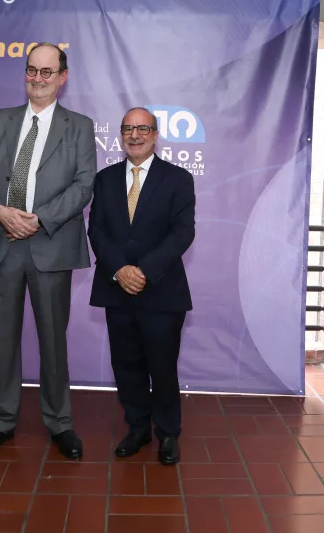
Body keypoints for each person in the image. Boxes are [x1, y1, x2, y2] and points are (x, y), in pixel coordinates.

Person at [0, 42, 96, 460]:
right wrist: (0, 211)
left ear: (62, 77)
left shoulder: (79, 126)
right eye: (31, 70)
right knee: (3, 338)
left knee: (53, 341)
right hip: (2, 243)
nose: (37, 79)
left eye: (46, 71)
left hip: (50, 246)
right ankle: (2, 420)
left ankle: (60, 423)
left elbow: (84, 184)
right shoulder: (0, 120)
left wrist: (38, 219)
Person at [88, 107, 195, 465]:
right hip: (116, 288)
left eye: (143, 129)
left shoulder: (178, 179)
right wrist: (119, 269)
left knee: (162, 367)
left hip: (162, 291)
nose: (135, 136)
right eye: (128, 129)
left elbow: (183, 232)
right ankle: (137, 428)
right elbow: (96, 230)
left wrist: (144, 271)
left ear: (155, 135)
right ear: (121, 134)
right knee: (126, 365)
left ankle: (168, 433)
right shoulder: (104, 179)